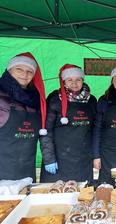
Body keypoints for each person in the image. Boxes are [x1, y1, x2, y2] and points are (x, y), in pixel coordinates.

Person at [40, 64, 97, 182]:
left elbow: (94, 130)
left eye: (78, 80)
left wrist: (95, 155)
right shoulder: (55, 98)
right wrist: (49, 159)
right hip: (59, 159)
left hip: (83, 159)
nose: (74, 83)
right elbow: (46, 130)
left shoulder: (91, 100)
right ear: (64, 81)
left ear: (83, 80)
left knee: (82, 196)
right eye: (70, 80)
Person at [0, 52, 47, 182]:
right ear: (9, 70)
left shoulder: (37, 99)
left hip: (26, 169)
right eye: (19, 69)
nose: (24, 74)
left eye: (29, 71)